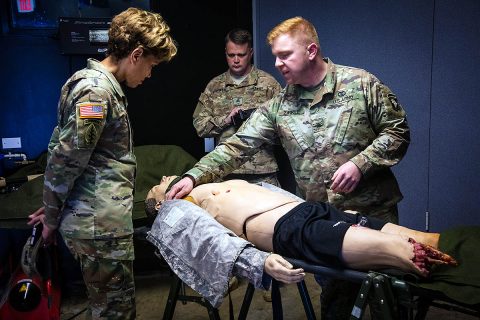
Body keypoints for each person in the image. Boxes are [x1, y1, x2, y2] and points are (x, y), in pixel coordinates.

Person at [166, 16, 411, 319]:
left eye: (285, 55)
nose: (278, 64)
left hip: (373, 213)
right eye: (275, 57)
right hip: (324, 222)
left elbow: (397, 132)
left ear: (310, 51)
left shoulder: (361, 84)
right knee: (335, 304)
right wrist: (193, 176)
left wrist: (361, 164)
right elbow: (237, 146)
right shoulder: (280, 105)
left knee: (390, 299)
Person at [27, 7, 177, 319]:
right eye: (151, 65)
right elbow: (65, 159)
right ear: (136, 54)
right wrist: (52, 218)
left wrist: (57, 205)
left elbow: (66, 152)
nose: (150, 75)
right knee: (115, 312)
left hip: (96, 222)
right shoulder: (96, 92)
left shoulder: (92, 84)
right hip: (99, 229)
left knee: (110, 308)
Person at [149, 177, 456, 279]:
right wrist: (258, 262)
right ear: (160, 205)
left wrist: (333, 212)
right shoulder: (177, 213)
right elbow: (209, 243)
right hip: (287, 230)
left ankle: (443, 245)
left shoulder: (204, 182)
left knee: (422, 237)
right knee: (398, 250)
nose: (164, 180)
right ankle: (408, 255)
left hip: (306, 209)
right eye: (157, 187)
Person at [193, 28, 282, 186]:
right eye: (231, 55)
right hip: (224, 172)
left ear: (251, 53)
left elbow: (284, 127)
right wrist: (226, 120)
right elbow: (200, 127)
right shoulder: (214, 87)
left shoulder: (269, 85)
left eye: (241, 55)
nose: (236, 60)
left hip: (262, 173)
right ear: (225, 53)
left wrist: (258, 121)